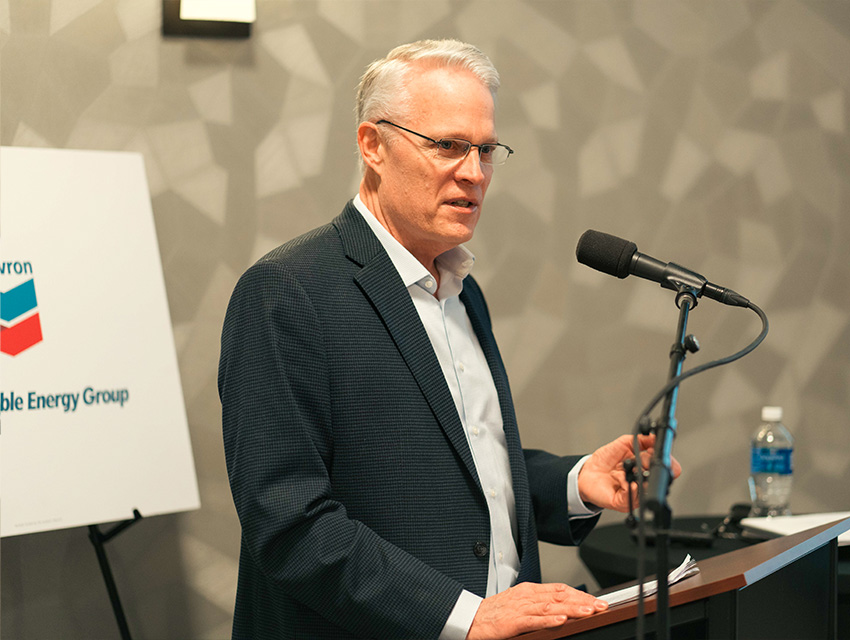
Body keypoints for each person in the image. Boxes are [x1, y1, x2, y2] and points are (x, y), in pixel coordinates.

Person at [219, 39, 680, 640]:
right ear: (373, 145)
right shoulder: (287, 290)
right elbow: (289, 524)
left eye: (486, 150)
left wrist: (575, 482)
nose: (474, 172)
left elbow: (459, 465)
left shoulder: (461, 287)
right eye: (447, 146)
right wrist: (466, 616)